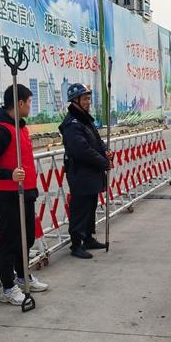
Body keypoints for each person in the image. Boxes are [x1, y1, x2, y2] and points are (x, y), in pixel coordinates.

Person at [0, 84, 49, 305]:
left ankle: (23, 276)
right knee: (10, 242)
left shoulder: (20, 127)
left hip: (25, 193)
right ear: (19, 103)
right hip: (9, 196)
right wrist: (8, 174)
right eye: (29, 102)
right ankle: (8, 288)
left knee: (26, 238)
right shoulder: (1, 130)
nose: (30, 106)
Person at [59, 83, 113, 259]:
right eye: (84, 99)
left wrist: (105, 152)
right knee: (80, 209)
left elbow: (97, 141)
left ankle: (88, 238)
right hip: (80, 173)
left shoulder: (85, 120)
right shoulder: (72, 124)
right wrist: (103, 162)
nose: (88, 102)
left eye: (89, 98)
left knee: (90, 207)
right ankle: (76, 244)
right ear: (75, 101)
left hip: (92, 172)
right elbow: (82, 150)